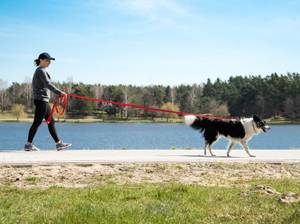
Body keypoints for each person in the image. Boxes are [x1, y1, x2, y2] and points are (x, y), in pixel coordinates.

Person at [24, 52, 72, 151]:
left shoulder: (42, 70)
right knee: (37, 122)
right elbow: (48, 84)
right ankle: (28, 145)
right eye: (47, 60)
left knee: (51, 122)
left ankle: (59, 144)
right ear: (41, 60)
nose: (49, 62)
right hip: (41, 100)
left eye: (50, 61)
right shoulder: (40, 71)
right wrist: (60, 92)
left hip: (43, 100)